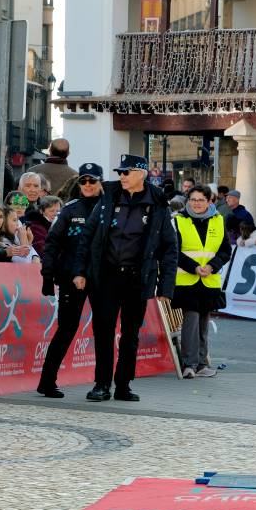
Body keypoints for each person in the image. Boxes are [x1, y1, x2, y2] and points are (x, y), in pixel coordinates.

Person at [72, 154, 179, 403]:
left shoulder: (158, 204)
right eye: (120, 172)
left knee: (130, 335)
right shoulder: (109, 199)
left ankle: (123, 385)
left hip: (137, 279)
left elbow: (169, 248)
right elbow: (87, 236)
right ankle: (101, 385)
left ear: (140, 174)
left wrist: (166, 287)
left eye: (126, 172)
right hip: (106, 277)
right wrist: (79, 271)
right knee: (103, 332)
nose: (121, 176)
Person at [38, 164, 103, 398]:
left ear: (100, 182)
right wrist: (48, 276)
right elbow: (51, 244)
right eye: (83, 181)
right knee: (66, 329)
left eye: (92, 181)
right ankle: (47, 381)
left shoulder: (110, 208)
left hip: (100, 279)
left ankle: (102, 384)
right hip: (70, 279)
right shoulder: (69, 210)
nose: (87, 185)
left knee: (103, 331)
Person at [173, 186, 232, 379]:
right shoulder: (178, 220)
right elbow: (174, 251)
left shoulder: (219, 220)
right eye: (193, 199)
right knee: (191, 322)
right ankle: (189, 364)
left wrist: (212, 266)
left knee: (203, 324)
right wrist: (195, 267)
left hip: (209, 280)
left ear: (209, 201)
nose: (196, 203)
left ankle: (201, 363)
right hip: (187, 280)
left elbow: (225, 251)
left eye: (201, 199)